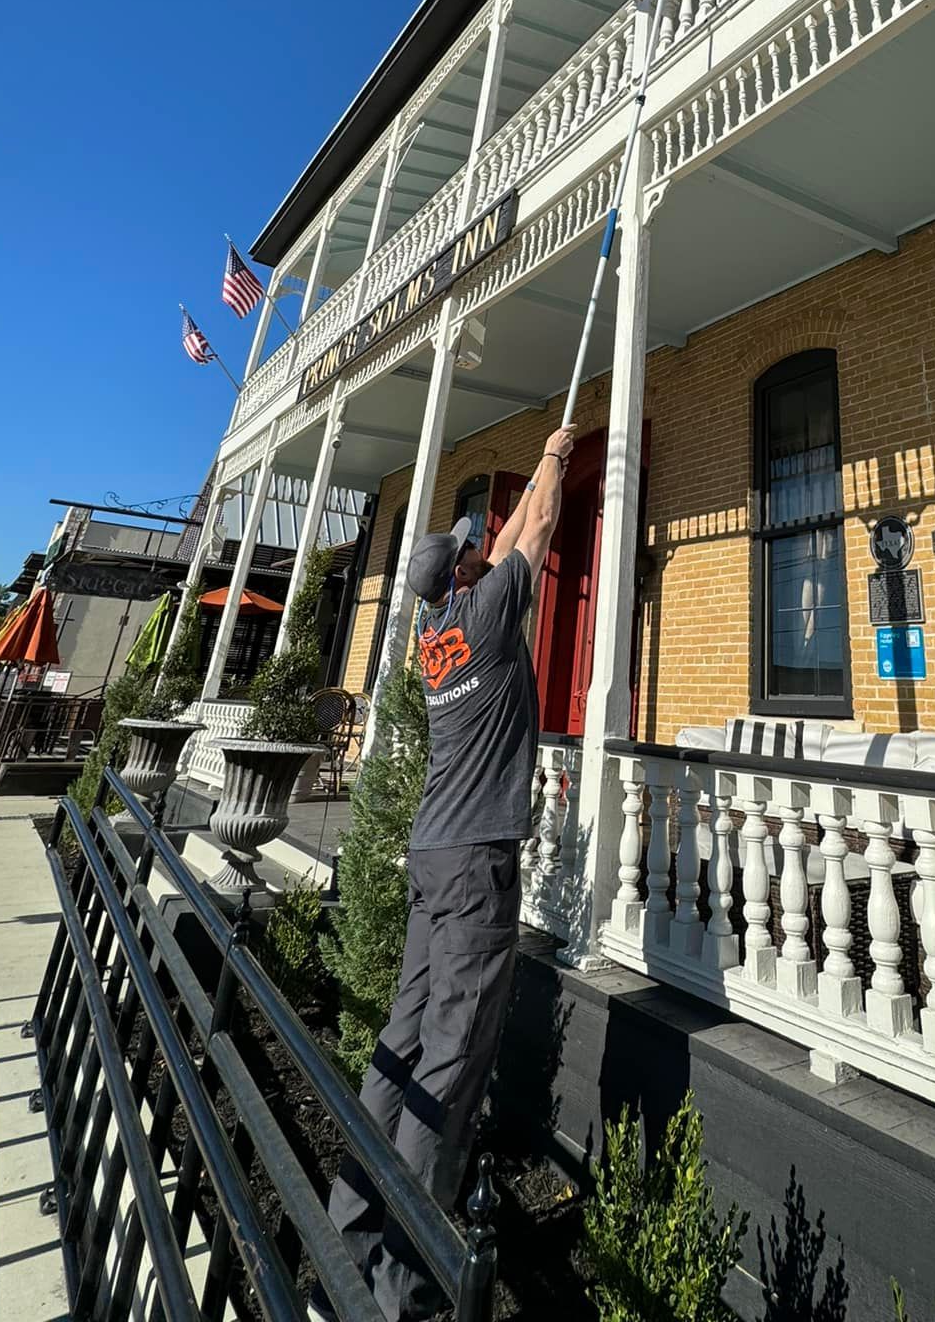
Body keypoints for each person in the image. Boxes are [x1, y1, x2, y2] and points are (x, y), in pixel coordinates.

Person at [317, 424, 577, 1322]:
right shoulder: (491, 614)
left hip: (432, 852)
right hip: (471, 870)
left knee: (401, 1044)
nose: (486, 545)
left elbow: (503, 551)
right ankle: (409, 1291)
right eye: (473, 550)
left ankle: (347, 1231)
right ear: (466, 577)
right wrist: (555, 453)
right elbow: (536, 527)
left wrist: (488, 539)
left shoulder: (441, 632)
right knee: (450, 1065)